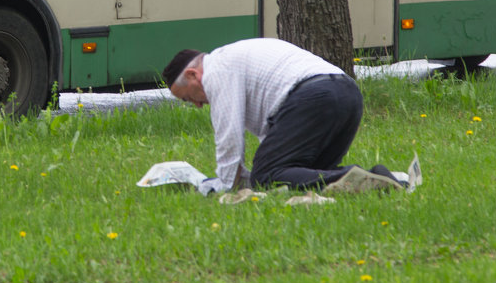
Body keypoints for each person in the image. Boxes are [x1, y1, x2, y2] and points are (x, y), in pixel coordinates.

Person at [162, 38, 408, 200]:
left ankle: (365, 177)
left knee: (267, 174)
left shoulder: (218, 69)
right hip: (348, 95)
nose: (196, 105)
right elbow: (277, 140)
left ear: (193, 74)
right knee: (305, 174)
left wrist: (225, 186)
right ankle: (380, 179)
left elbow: (229, 139)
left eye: (188, 98)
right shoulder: (234, 60)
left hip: (315, 96)